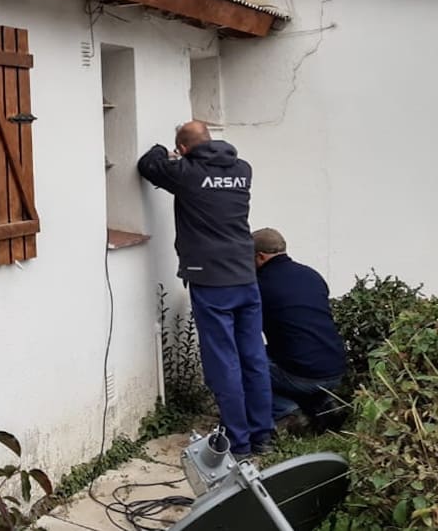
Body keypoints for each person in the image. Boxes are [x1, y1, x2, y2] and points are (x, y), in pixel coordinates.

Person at [138, 121, 273, 457]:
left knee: (223, 361)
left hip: (211, 280)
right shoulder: (243, 169)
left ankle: (238, 442)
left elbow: (148, 164)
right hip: (245, 275)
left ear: (183, 149)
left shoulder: (186, 172)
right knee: (254, 355)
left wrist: (164, 152)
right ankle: (262, 435)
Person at [253, 228, 347, 434]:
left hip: (302, 376)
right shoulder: (312, 275)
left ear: (259, 256)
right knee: (294, 356)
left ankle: (288, 413)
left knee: (241, 365)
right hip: (336, 369)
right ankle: (325, 404)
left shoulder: (259, 286)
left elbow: (247, 334)